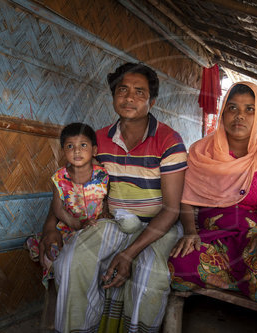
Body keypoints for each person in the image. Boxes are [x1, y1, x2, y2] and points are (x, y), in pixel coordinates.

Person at [39, 62, 187, 332]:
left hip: (157, 226)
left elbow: (171, 210)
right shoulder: (96, 141)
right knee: (72, 262)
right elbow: (69, 186)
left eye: (140, 92)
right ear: (113, 96)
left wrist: (129, 254)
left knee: (148, 281)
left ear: (152, 101)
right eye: (123, 90)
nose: (130, 98)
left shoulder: (169, 141)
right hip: (112, 222)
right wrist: (49, 227)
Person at [168, 82, 257, 310]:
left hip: (256, 239)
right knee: (178, 264)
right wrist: (190, 232)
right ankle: (241, 280)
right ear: (223, 112)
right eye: (233, 107)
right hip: (213, 238)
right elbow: (186, 198)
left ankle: (243, 277)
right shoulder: (202, 151)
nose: (240, 116)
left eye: (250, 109)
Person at [26, 122, 110, 288]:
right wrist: (77, 224)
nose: (76, 151)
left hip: (95, 228)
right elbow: (57, 208)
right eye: (70, 146)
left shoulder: (102, 174)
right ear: (64, 150)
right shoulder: (59, 177)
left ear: (94, 150)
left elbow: (105, 200)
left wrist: (103, 216)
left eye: (83, 145)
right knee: (52, 258)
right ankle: (58, 290)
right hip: (68, 229)